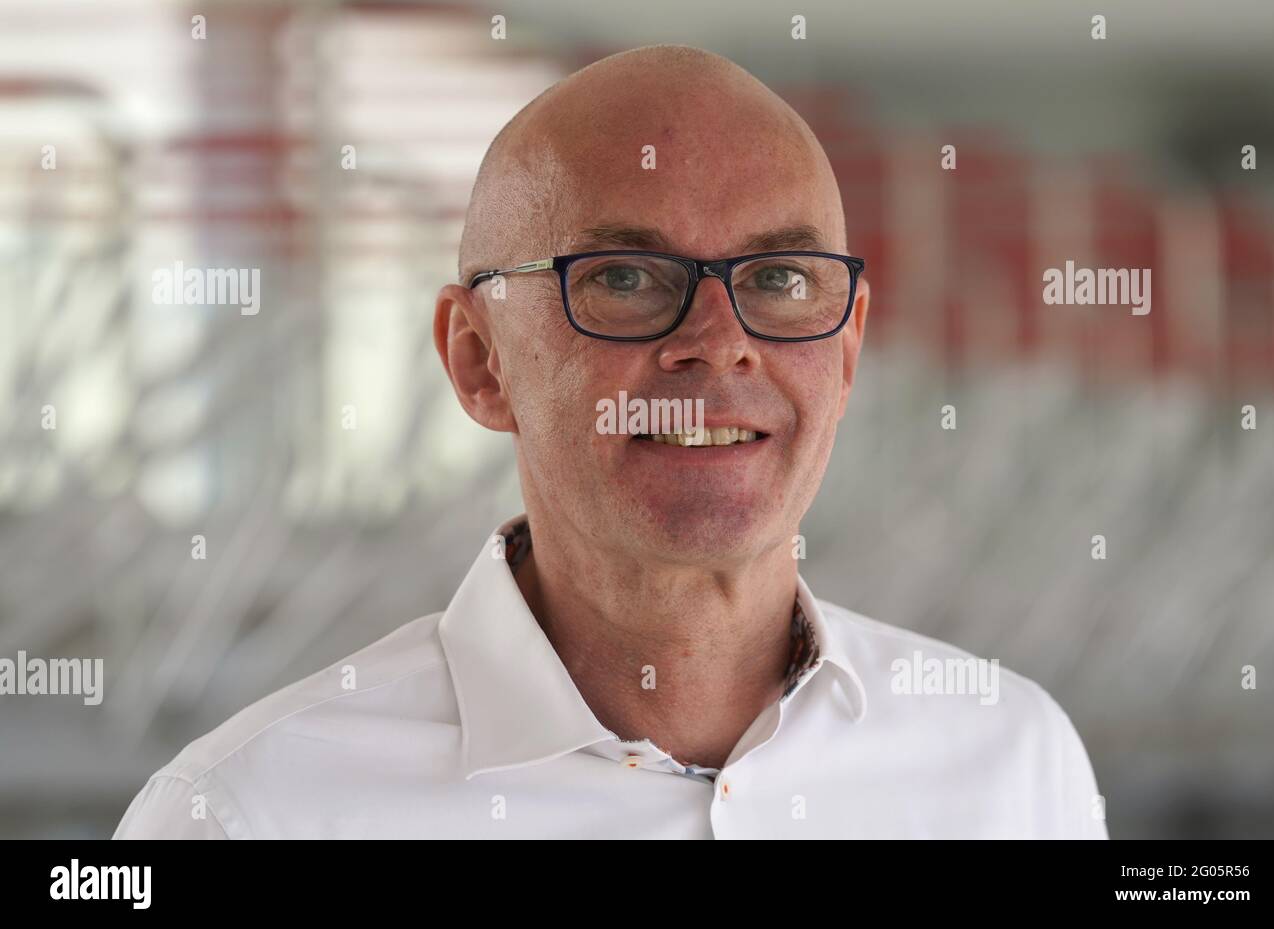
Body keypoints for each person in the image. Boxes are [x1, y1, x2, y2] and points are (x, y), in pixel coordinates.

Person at [115, 44, 1106, 839]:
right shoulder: (249, 813)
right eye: (625, 278)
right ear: (479, 359)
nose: (717, 343)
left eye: (779, 278)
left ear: (843, 356)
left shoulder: (1011, 762)